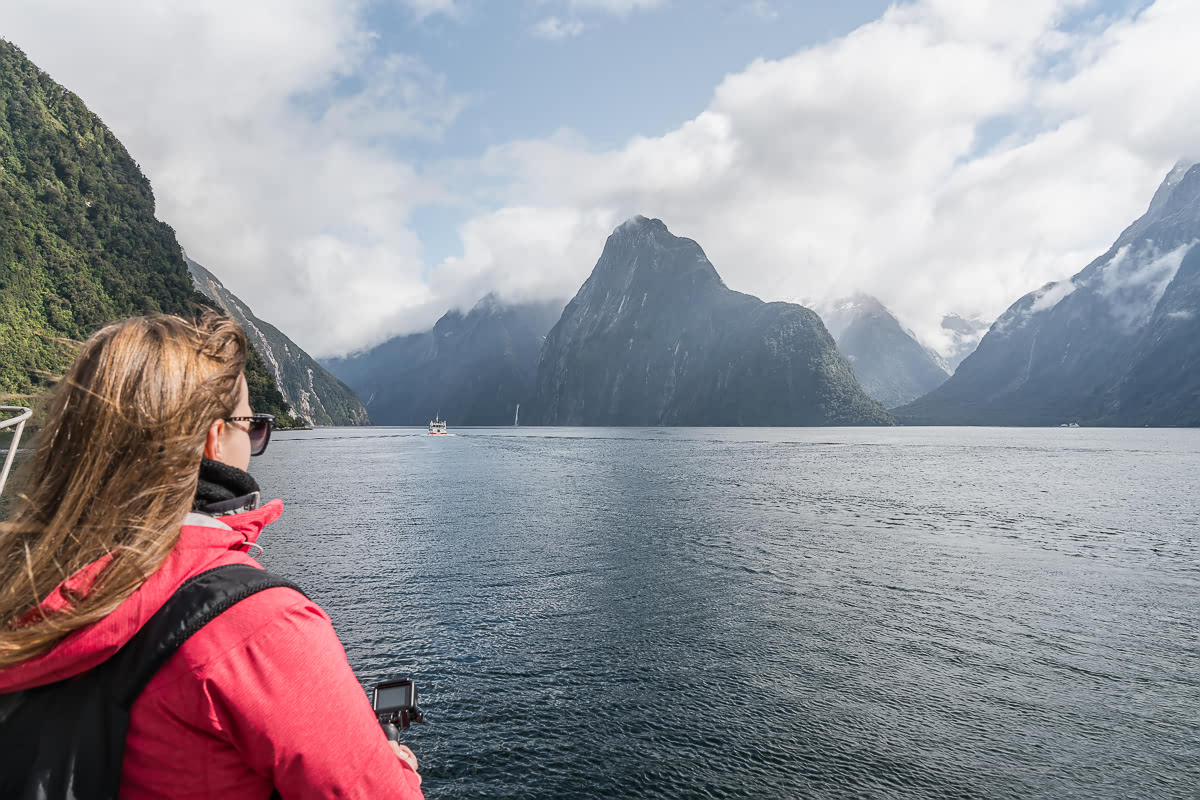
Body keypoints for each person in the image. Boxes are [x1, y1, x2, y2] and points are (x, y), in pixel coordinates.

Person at [0, 314, 423, 799]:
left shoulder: (22, 583)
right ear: (214, 440)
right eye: (254, 427)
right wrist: (392, 762)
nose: (257, 441)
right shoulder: (259, 626)